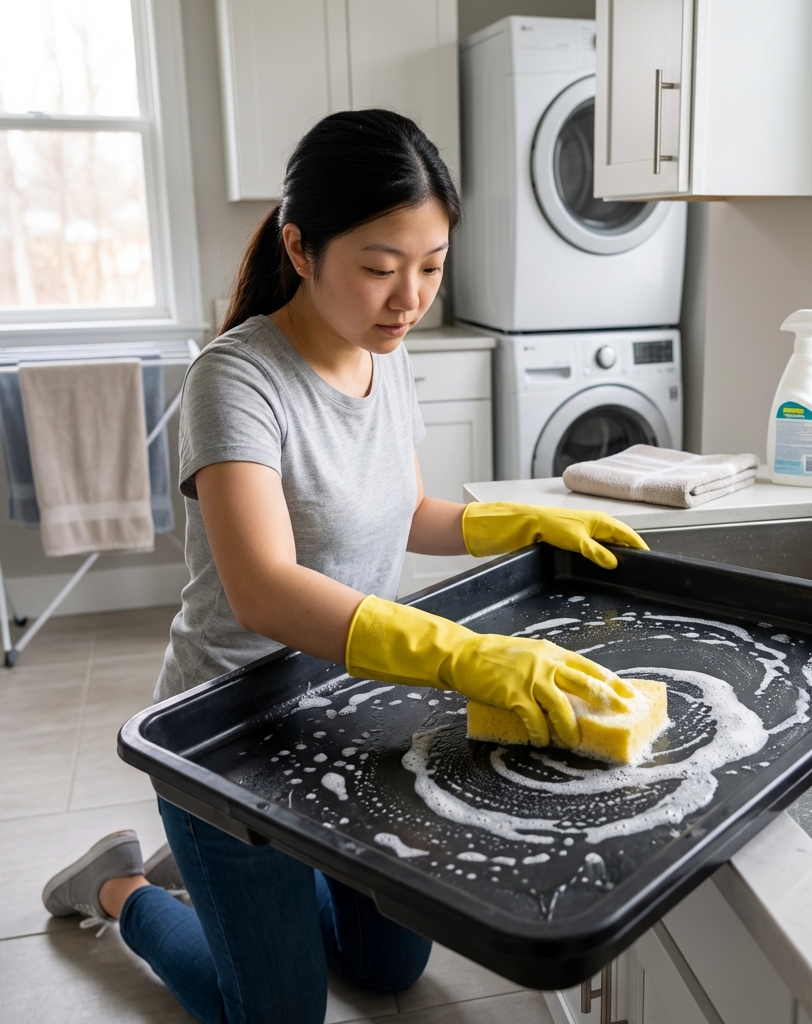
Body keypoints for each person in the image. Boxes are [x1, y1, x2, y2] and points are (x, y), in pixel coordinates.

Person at [41, 109, 647, 1024]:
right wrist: (459, 654)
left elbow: (406, 513)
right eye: (377, 268)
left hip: (356, 704)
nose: (407, 299)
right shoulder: (235, 380)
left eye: (430, 268)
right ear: (301, 246)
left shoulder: (383, 356)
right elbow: (267, 588)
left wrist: (520, 524)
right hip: (230, 730)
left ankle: (242, 878)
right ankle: (127, 890)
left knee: (388, 969)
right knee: (279, 1016)